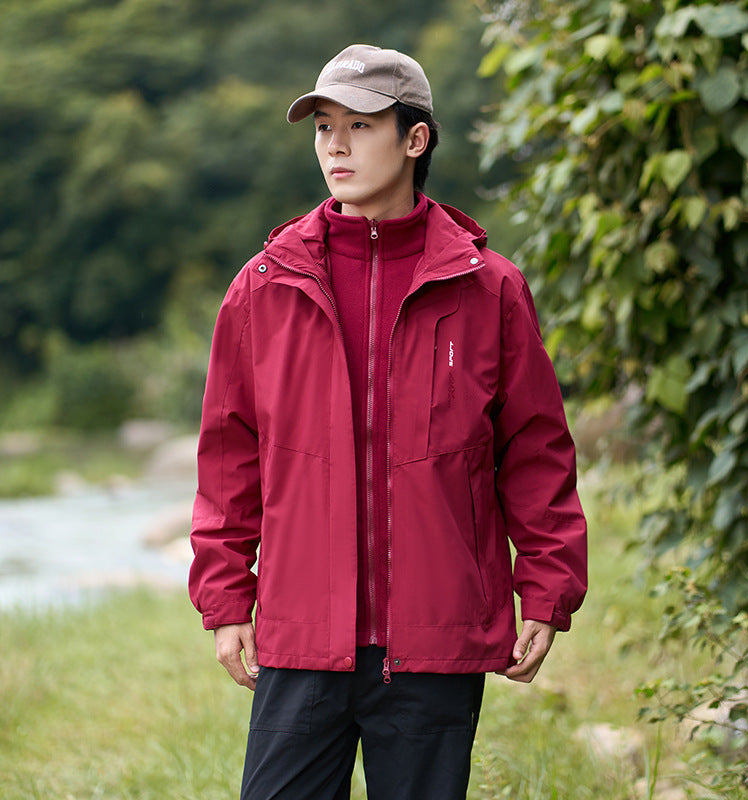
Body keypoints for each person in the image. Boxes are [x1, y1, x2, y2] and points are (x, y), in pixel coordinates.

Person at [189, 43, 587, 800]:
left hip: (436, 638)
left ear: (415, 138)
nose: (335, 146)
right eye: (324, 127)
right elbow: (229, 458)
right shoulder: (264, 288)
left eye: (360, 125)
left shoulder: (489, 289)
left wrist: (547, 588)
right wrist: (226, 596)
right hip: (303, 634)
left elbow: (535, 453)